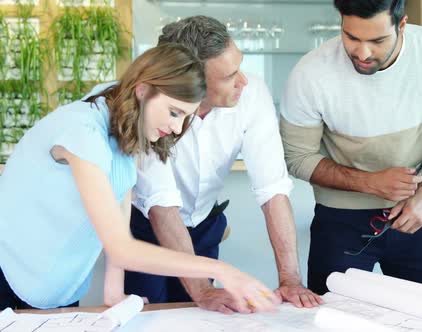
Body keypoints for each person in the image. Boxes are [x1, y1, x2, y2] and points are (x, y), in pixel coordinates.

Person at [0, 43, 278, 311]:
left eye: (186, 117)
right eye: (173, 112)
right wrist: (222, 270)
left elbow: (120, 213)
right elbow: (121, 249)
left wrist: (114, 291)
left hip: (54, 282)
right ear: (142, 90)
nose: (176, 127)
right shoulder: (82, 132)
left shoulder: (123, 121)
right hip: (9, 267)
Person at [127, 16, 322, 314]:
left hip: (204, 223)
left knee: (203, 316)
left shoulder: (251, 93)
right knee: (151, 316)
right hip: (147, 230)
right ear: (191, 82)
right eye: (230, 76)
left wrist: (290, 279)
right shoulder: (152, 108)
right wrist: (203, 289)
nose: (243, 80)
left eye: (239, 67)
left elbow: (273, 191)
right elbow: (161, 206)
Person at [280, 0, 422, 295]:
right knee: (333, 320)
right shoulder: (310, 73)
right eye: (351, 37)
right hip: (339, 222)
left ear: (402, 25)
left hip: (417, 213)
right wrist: (371, 183)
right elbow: (297, 157)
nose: (362, 52)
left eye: (377, 40)